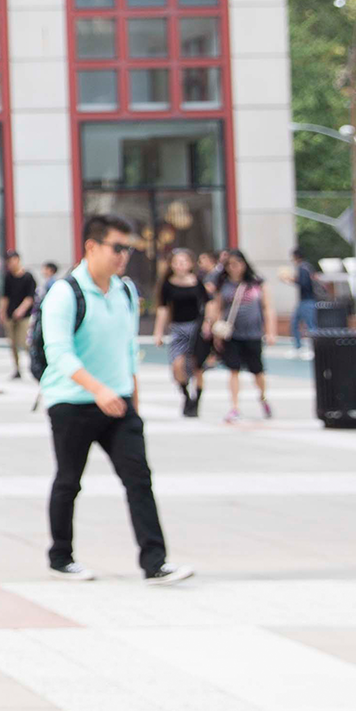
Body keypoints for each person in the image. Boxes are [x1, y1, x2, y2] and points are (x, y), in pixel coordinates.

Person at [40, 214, 190, 585]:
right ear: (92, 247)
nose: (124, 255)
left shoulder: (124, 291)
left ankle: (155, 562)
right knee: (69, 481)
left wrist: (131, 399)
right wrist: (97, 389)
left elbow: (126, 349)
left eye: (128, 248)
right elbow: (58, 353)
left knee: (139, 478)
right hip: (72, 402)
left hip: (119, 404)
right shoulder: (64, 292)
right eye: (117, 247)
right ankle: (61, 557)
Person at [206, 249, 273, 423]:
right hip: (232, 334)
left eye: (237, 264)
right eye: (230, 265)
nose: (234, 268)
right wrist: (216, 331)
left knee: (257, 370)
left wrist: (270, 331)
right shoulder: (224, 284)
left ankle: (263, 397)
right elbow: (218, 307)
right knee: (233, 369)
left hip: (253, 333)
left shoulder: (257, 282)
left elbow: (267, 307)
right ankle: (234, 407)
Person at [151, 249, 210, 418]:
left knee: (197, 366)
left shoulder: (197, 282)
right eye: (176, 262)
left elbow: (208, 304)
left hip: (196, 328)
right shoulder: (167, 284)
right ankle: (185, 395)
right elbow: (163, 308)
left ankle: (196, 400)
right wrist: (158, 332)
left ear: (191, 264)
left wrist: (208, 323)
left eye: (184, 262)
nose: (180, 265)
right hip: (178, 328)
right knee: (177, 365)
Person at [0, 252, 38, 383]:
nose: (10, 264)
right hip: (10, 315)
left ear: (18, 260)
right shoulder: (8, 277)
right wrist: (2, 312)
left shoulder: (28, 277)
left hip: (24, 316)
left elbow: (30, 297)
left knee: (24, 342)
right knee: (13, 343)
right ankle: (17, 369)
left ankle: (35, 365)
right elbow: (5, 296)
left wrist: (21, 310)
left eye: (12, 260)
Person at [290, 249, 321, 355]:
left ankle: (313, 348)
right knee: (297, 323)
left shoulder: (302, 267)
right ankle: (299, 346)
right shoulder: (308, 266)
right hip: (307, 300)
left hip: (307, 300)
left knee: (310, 325)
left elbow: (303, 283)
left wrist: (292, 280)